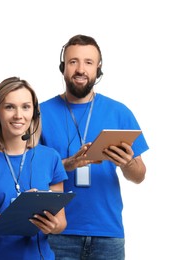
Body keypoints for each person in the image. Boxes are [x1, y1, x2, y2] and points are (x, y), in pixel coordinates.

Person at [40, 34, 149, 259]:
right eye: (73, 62)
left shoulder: (119, 112)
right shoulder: (39, 114)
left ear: (98, 69)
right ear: (63, 67)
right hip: (57, 231)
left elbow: (139, 176)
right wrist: (67, 164)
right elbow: (28, 175)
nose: (81, 69)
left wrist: (128, 163)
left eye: (88, 62)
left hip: (107, 234)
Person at [0, 77, 68, 259]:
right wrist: (21, 211)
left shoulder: (51, 157)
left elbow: (61, 222)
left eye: (26, 107)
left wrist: (53, 226)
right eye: (9, 107)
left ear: (34, 113)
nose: (18, 115)